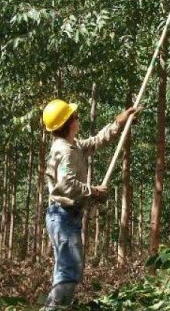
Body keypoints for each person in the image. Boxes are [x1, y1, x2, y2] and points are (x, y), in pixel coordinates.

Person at [41, 98, 140, 309]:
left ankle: (56, 306)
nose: (78, 119)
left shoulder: (72, 145)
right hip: (63, 216)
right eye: (74, 117)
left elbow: (95, 141)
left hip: (66, 216)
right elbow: (66, 185)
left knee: (66, 269)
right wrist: (93, 191)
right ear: (67, 123)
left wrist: (119, 122)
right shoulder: (65, 151)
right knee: (70, 269)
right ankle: (54, 308)